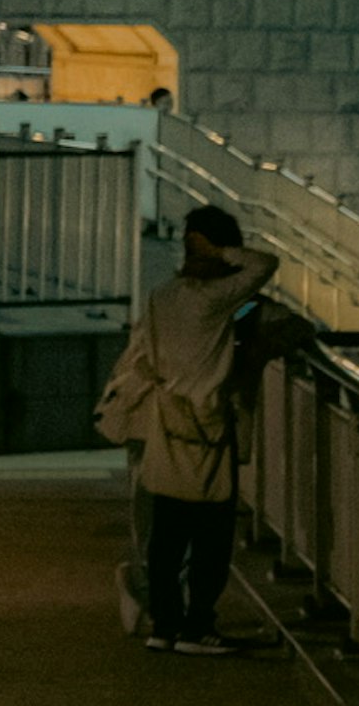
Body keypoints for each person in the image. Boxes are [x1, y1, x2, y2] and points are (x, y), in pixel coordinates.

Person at [96, 205, 279, 655]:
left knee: (168, 531)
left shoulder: (162, 296)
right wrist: (223, 251)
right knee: (211, 533)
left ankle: (164, 625)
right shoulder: (217, 300)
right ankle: (199, 627)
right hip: (207, 424)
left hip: (165, 419)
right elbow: (265, 264)